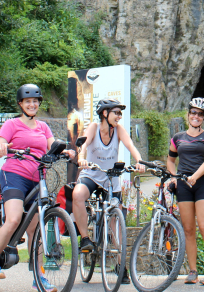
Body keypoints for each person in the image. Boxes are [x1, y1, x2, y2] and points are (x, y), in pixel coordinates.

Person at [0, 84, 75, 292]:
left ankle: (39, 277)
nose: (32, 104)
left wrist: (67, 152)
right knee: (14, 219)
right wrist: (0, 147)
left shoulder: (43, 127)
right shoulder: (12, 124)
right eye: (28, 101)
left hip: (38, 179)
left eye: (35, 101)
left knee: (36, 229)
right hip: (14, 175)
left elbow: (53, 145)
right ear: (21, 104)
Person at [73, 98, 145, 283]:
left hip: (110, 178)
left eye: (120, 113)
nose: (119, 116)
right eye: (116, 113)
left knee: (115, 222)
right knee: (78, 194)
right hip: (92, 174)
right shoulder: (94, 128)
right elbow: (83, 145)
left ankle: (121, 267)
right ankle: (85, 239)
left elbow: (130, 146)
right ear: (105, 113)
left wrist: (139, 161)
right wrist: (82, 158)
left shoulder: (118, 130)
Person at [167, 97, 204, 285]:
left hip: (203, 183)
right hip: (183, 185)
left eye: (200, 114)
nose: (196, 116)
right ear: (188, 114)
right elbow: (170, 161)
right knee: (188, 229)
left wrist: (195, 176)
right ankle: (192, 271)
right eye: (193, 112)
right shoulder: (177, 138)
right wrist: (174, 176)